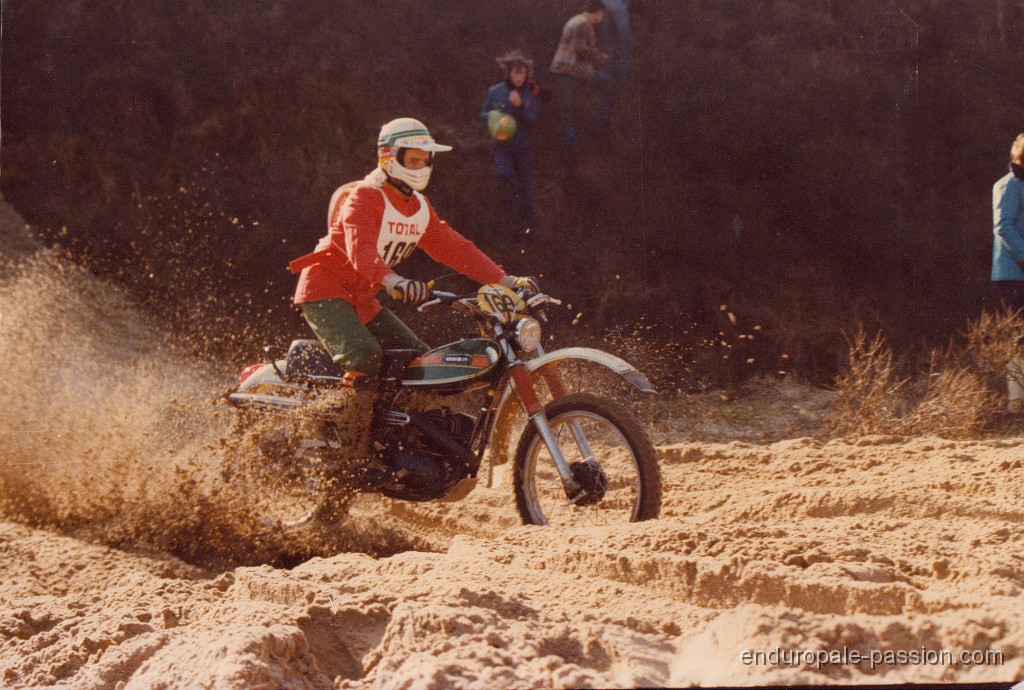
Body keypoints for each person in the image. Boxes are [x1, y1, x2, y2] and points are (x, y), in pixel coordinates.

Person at [289, 118, 537, 402]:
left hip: (363, 298)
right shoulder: (365, 197)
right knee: (364, 355)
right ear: (390, 157)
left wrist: (506, 280)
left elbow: (456, 249)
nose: (421, 166)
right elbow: (361, 250)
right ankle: (343, 428)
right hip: (324, 289)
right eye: (413, 159)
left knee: (419, 360)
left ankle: (395, 429)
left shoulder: (419, 208)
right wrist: (393, 280)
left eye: (425, 160)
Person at [480, 50, 540, 243]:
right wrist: (493, 117)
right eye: (516, 73)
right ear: (509, 73)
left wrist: (520, 106)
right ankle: (506, 225)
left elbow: (532, 121)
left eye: (523, 73)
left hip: (522, 148)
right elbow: (483, 113)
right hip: (502, 146)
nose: (520, 77)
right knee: (506, 177)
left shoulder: (530, 94)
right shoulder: (495, 91)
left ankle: (527, 231)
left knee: (526, 188)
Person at [549, 0, 610, 174]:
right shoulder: (585, 23)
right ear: (598, 12)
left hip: (564, 70)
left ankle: (571, 155)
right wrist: (599, 57)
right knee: (572, 114)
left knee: (570, 114)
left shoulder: (576, 19)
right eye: (602, 14)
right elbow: (580, 48)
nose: (602, 18)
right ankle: (572, 158)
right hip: (570, 71)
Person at [992, 132, 1024, 412]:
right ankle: (1016, 402)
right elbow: (1003, 226)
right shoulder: (1007, 185)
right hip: (1013, 272)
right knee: (1018, 334)